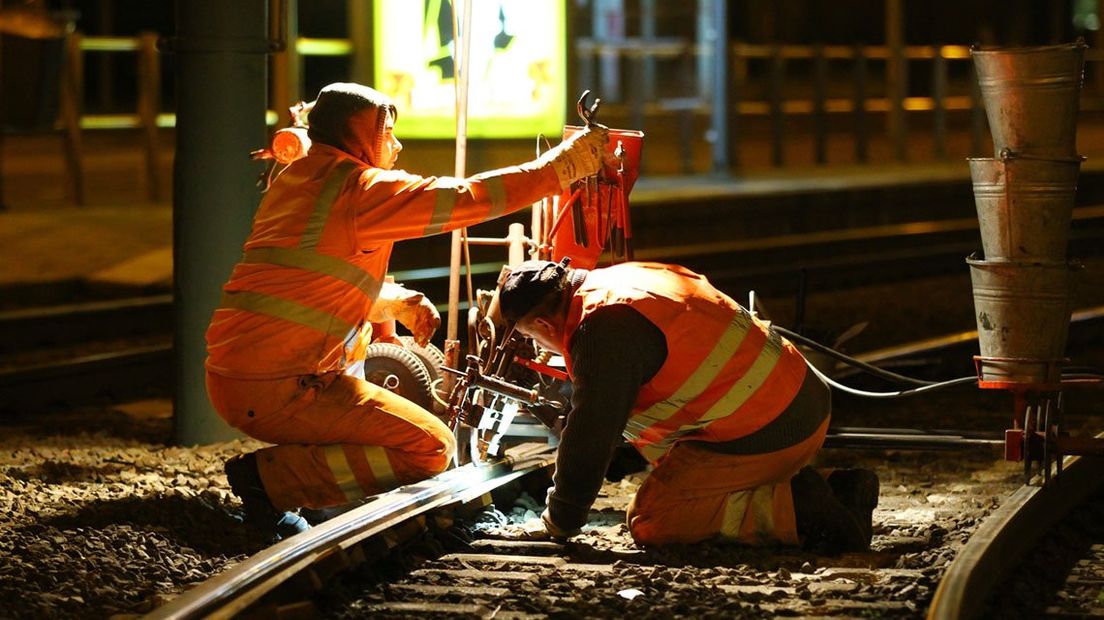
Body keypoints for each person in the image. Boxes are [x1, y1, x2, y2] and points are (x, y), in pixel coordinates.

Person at [205, 82, 609, 541]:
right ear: (362, 135)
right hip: (279, 387)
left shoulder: (299, 180)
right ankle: (269, 484)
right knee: (428, 448)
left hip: (240, 372)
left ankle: (296, 483)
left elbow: (303, 278)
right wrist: (561, 168)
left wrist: (389, 301)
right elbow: (467, 197)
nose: (396, 146)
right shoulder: (359, 188)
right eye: (388, 133)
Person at [495, 259, 880, 552]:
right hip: (800, 401)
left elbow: (590, 434)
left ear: (544, 325)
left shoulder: (598, 329)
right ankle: (840, 488)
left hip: (767, 433)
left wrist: (560, 521)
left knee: (654, 519)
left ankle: (805, 511)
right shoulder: (625, 279)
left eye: (531, 338)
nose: (540, 347)